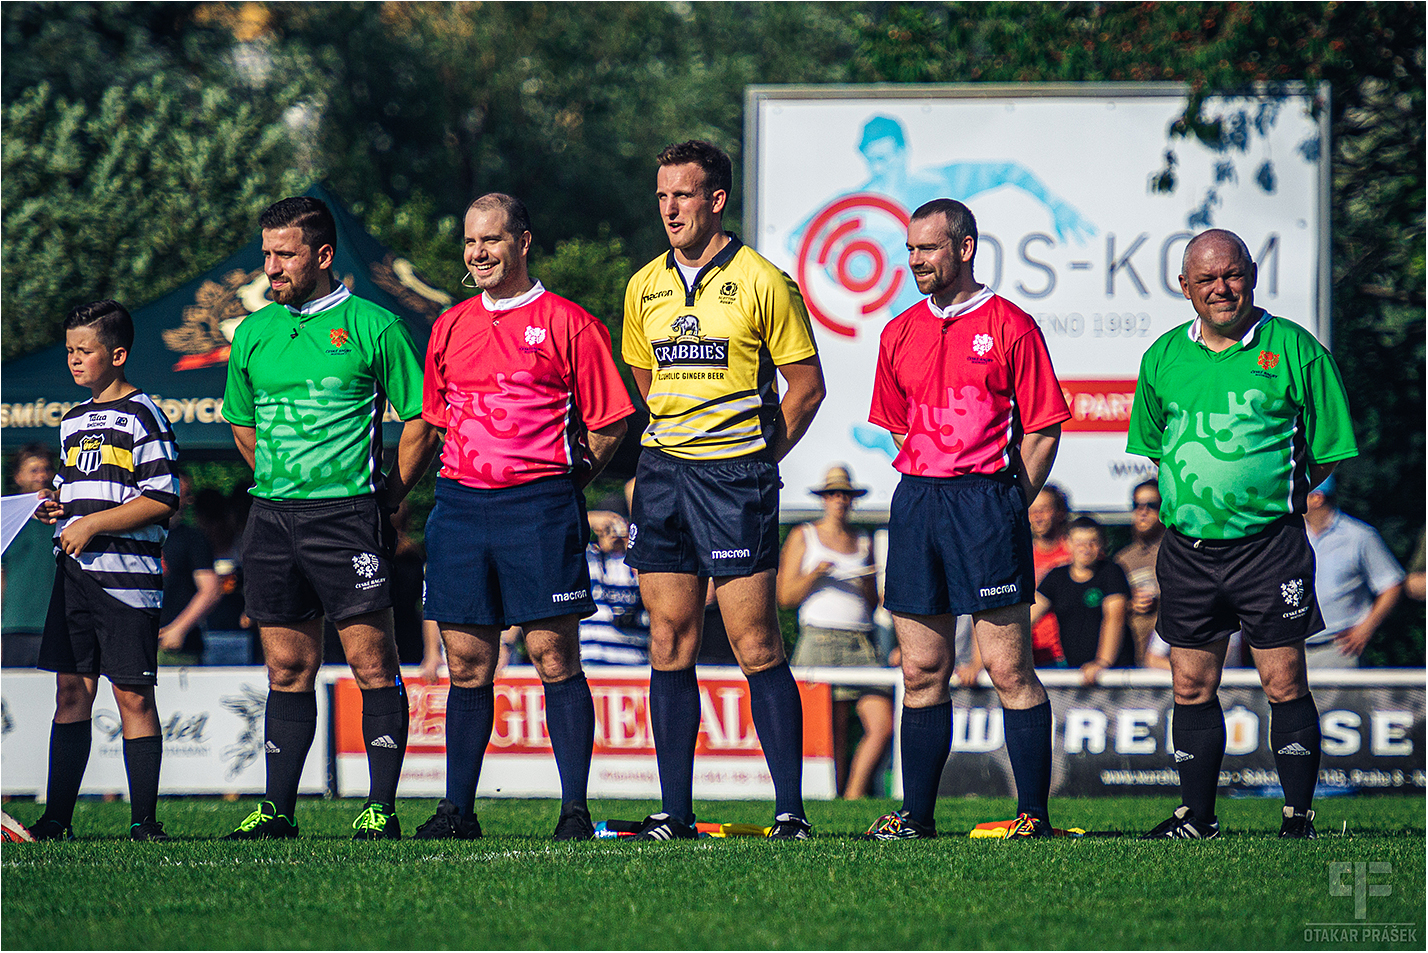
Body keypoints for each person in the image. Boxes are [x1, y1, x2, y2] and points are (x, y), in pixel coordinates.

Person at [622, 140, 825, 841]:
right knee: (668, 639)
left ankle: (790, 811)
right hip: (662, 474)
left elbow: (806, 388)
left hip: (735, 477)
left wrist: (758, 458)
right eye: (661, 195)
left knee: (755, 642)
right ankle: (674, 813)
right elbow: (645, 378)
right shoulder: (642, 284)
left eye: (682, 194)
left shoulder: (765, 280)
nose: (669, 208)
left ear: (716, 199)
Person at [414, 192, 633, 842]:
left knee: (552, 653)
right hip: (460, 505)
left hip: (539, 506)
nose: (478, 252)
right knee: (466, 663)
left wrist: (565, 484)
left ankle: (574, 811)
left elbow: (611, 422)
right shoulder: (449, 325)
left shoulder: (570, 323)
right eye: (470, 241)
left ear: (523, 242)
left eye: (491, 239)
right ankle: (458, 811)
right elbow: (435, 421)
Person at [221, 196, 441, 840]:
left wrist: (389, 495)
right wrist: (281, 479)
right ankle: (277, 811)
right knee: (286, 669)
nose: (271, 267)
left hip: (348, 517)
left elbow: (421, 421)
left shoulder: (375, 325)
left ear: (321, 255)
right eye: (266, 254)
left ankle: (380, 808)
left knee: (373, 664)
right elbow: (242, 424)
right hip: (272, 519)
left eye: (284, 254)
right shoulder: (253, 332)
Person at [1127, 228, 1358, 840]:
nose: (1221, 288)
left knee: (1283, 681)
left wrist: (1267, 494)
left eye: (1232, 275)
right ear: (1185, 287)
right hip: (1188, 551)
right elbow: (1155, 448)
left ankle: (1298, 817)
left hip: (1269, 549)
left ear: (1252, 275)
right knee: (1189, 684)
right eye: (1206, 279)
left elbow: (1328, 449)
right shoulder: (1162, 357)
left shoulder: (1295, 348)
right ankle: (1197, 818)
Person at [864, 198, 1070, 840]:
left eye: (927, 248)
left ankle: (1033, 816)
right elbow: (899, 425)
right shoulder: (898, 331)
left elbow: (1043, 428)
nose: (915, 260)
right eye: (910, 249)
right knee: (921, 671)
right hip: (917, 502)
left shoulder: (1012, 325)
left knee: (1009, 670)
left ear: (964, 247)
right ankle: (916, 818)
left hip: (987, 504)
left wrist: (1009, 502)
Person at [29, 300, 180, 842]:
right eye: (70, 350)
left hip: (126, 582)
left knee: (132, 696)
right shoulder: (71, 419)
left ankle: (144, 822)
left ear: (117, 355)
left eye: (84, 350)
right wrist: (55, 506)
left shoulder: (144, 413)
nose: (74, 359)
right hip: (74, 577)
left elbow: (162, 497)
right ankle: (56, 820)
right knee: (71, 693)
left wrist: (92, 524)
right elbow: (75, 489)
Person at [777, 464, 892, 800]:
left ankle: (853, 793)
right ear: (823, 499)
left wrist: (867, 583)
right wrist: (815, 575)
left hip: (860, 641)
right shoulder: (804, 535)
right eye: (833, 494)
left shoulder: (863, 541)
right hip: (820, 638)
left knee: (881, 723)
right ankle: (835, 796)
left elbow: (871, 602)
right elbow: (785, 596)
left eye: (845, 494)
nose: (840, 500)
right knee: (832, 730)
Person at [1303, 475, 1404, 668]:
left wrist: (1365, 628)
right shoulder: (1293, 536)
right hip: (1295, 648)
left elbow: (1392, 584)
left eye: (1300, 494)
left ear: (1317, 498)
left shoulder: (1359, 536)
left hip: (1339, 649)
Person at [1031, 516, 1132, 685]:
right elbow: (1027, 616)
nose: (1086, 548)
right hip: (1074, 672)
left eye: (1092, 542)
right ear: (1068, 544)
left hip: (1112, 672)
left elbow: (1114, 619)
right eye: (1079, 543)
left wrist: (1102, 662)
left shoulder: (1112, 572)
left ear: (1102, 544)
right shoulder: (1056, 577)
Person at [156, 472, 223, 665]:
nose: (175, 498)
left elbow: (211, 590)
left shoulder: (193, 538)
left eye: (182, 494)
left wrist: (179, 629)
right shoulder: (136, 535)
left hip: (178, 650)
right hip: (135, 644)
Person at [3, 444, 58, 667]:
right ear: (18, 476)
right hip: (15, 626)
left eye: (46, 469)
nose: (41, 476)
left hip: (57, 625)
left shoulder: (65, 520)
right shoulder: (8, 521)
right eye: (34, 470)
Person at [581, 512, 650, 666]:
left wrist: (633, 547)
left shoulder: (641, 560)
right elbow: (562, 529)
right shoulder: (590, 557)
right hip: (592, 661)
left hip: (634, 662)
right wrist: (593, 520)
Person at [1114, 479, 1165, 666]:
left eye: (1151, 505)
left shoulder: (1177, 553)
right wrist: (1128, 603)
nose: (1143, 511)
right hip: (1130, 658)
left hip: (1166, 660)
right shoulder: (1122, 559)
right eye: (1137, 505)